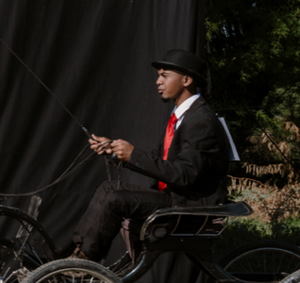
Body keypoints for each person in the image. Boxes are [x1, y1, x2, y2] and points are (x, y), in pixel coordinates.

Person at [72, 48, 229, 264]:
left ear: (186, 80)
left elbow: (185, 175)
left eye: (165, 75)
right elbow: (160, 161)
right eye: (158, 75)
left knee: (116, 200)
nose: (158, 81)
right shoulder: (181, 116)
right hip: (174, 197)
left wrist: (133, 154)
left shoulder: (200, 120)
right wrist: (117, 153)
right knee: (108, 188)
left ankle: (85, 261)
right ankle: (78, 251)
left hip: (189, 205)